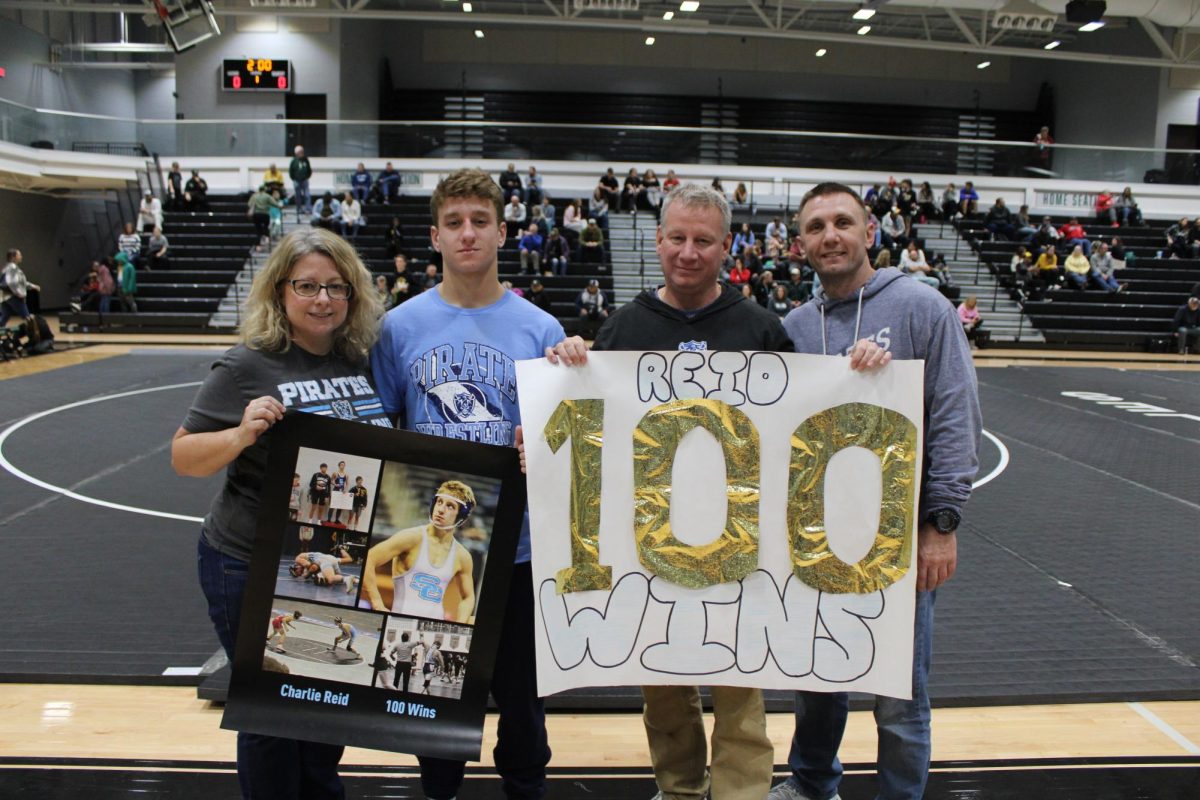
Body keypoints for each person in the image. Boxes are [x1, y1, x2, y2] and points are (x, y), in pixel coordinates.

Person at [542, 183, 889, 800]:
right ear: (658, 241)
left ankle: (740, 795)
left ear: (726, 246)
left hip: (741, 548)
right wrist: (570, 361)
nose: (689, 252)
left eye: (703, 240)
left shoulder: (760, 326)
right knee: (663, 687)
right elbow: (588, 419)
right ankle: (676, 790)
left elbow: (807, 422)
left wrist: (857, 374)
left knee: (741, 688)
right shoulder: (623, 326)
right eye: (677, 238)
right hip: (649, 546)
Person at [771, 181, 980, 800]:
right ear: (799, 243)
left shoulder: (921, 308)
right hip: (812, 539)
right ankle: (812, 784)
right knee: (816, 677)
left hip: (896, 538)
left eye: (842, 222)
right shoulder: (795, 327)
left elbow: (954, 416)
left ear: (870, 232)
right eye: (815, 227)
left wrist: (939, 525)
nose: (829, 236)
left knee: (899, 694)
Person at [171, 226, 387, 799]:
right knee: (268, 716)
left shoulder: (358, 360)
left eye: (336, 288)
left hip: (322, 562)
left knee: (322, 706)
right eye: (308, 286)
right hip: (247, 562)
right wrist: (241, 434)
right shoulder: (247, 364)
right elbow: (184, 457)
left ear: (352, 295)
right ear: (280, 291)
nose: (322, 300)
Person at [370, 167, 562, 800]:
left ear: (503, 232)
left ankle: (527, 786)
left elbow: (564, 442)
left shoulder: (540, 331)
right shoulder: (400, 328)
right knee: (434, 689)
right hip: (436, 544)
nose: (468, 233)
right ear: (434, 236)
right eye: (454, 223)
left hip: (519, 548)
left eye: (480, 221)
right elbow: (381, 429)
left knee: (522, 700)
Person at [364, 480, 476, 621]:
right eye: (439, 502)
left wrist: (459, 624)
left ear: (461, 517)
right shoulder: (411, 538)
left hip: (432, 629)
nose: (441, 509)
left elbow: (468, 597)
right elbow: (368, 559)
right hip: (400, 624)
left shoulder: (462, 556)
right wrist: (377, 604)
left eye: (450, 506)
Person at [1, 249, 40, 331]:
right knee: (27, 318)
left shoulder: (6, 268)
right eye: (19, 255)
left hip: (5, 297)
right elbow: (12, 283)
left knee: (4, 317)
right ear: (13, 257)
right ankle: (35, 336)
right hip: (13, 296)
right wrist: (19, 294)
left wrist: (32, 286)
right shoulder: (12, 268)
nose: (21, 257)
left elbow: (21, 282)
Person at [289, 146, 312, 214]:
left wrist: (307, 176)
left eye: (302, 151)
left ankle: (308, 208)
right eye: (300, 152)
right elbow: (291, 171)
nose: (302, 153)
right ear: (297, 153)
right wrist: (293, 178)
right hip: (296, 180)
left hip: (304, 180)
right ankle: (299, 209)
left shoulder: (306, 160)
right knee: (298, 196)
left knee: (307, 195)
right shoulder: (294, 161)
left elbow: (309, 169)